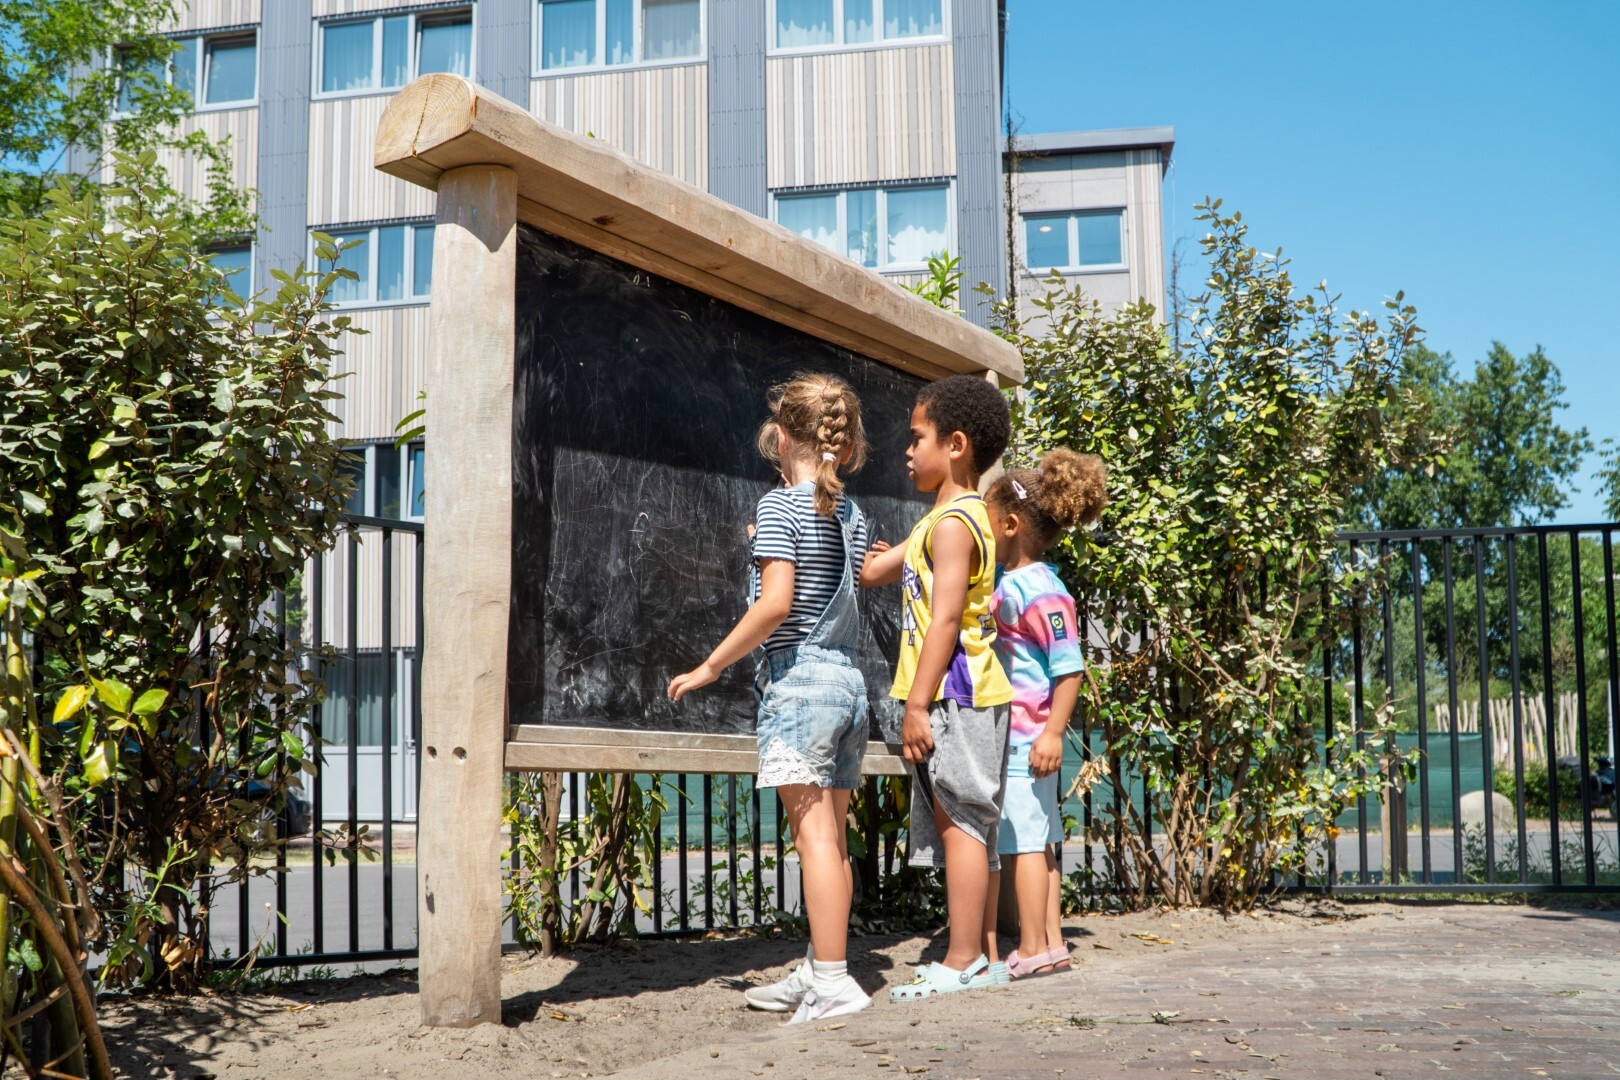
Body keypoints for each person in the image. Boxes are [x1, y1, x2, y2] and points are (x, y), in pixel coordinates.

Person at [668, 373, 873, 1024]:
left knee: (813, 842)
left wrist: (709, 665)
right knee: (831, 841)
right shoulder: (851, 510)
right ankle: (820, 967)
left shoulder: (784, 507)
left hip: (800, 686)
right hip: (846, 684)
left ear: (781, 437)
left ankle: (835, 982)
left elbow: (776, 603)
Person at [861, 374, 1015, 1001]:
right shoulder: (948, 520)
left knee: (963, 827)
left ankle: (960, 959)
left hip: (958, 695)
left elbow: (946, 619)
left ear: (954, 445)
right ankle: (984, 955)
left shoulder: (953, 526)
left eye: (916, 437)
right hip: (967, 695)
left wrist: (916, 704)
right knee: (973, 823)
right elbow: (881, 568)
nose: (906, 450)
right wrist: (870, 559)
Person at [980, 449, 1107, 977]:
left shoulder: (1038, 590)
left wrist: (1053, 733)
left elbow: (1070, 668)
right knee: (1043, 842)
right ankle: (1050, 943)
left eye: (986, 520)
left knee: (1025, 845)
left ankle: (1031, 947)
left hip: (1027, 737)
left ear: (1010, 524)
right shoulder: (1027, 584)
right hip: (1030, 737)